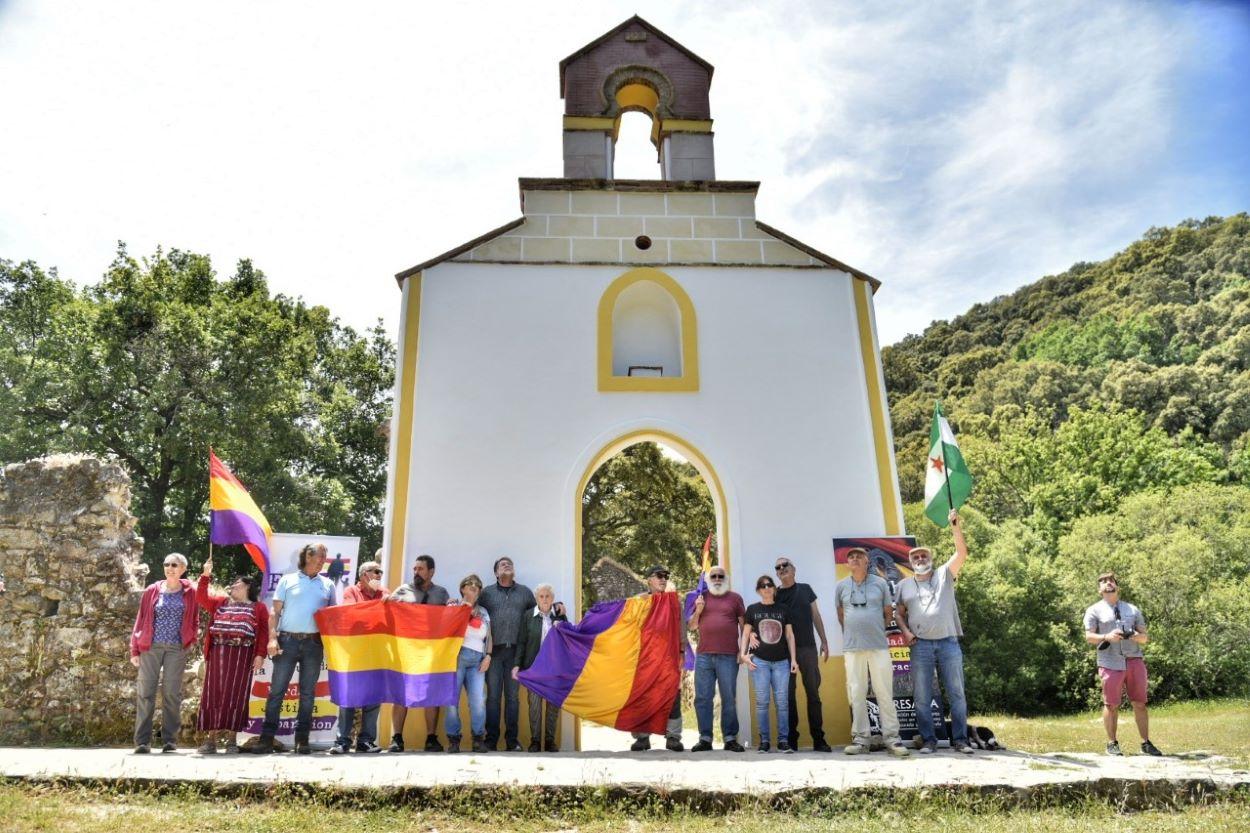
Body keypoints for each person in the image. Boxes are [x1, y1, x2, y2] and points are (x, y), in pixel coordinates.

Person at [895, 509, 972, 754]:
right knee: (921, 697)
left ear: (930, 558)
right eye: (915, 557)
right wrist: (905, 632)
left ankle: (960, 740)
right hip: (920, 646)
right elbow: (897, 613)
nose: (919, 559)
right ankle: (928, 740)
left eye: (923, 555)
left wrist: (955, 526)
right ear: (910, 562)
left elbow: (961, 553)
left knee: (957, 693)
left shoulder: (944, 575)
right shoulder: (903, 585)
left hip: (949, 643)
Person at [252, 542, 335, 755]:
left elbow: (333, 617)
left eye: (324, 558)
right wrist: (272, 639)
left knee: (307, 694)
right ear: (308, 557)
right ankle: (266, 739)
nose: (322, 561)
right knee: (277, 692)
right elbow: (275, 612)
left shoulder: (328, 585)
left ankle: (302, 741)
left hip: (314, 644)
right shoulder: (287, 580)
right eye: (320, 557)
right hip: (286, 642)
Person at [836, 547, 910, 757]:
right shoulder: (841, 586)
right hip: (852, 648)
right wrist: (856, 630)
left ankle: (893, 740)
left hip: (878, 646)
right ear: (847, 563)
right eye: (851, 557)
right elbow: (841, 614)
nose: (855, 559)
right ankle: (861, 740)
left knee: (884, 691)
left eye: (859, 556)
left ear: (867, 561)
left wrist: (874, 630)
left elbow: (888, 613)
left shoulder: (880, 584)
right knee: (856, 693)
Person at [194, 556, 268, 754]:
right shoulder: (220, 602)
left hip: (242, 657)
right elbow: (200, 598)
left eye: (237, 584)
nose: (232, 586)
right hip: (218, 654)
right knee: (213, 694)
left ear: (247, 588)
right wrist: (205, 575)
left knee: (236, 695)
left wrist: (260, 655)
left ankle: (232, 740)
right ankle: (210, 740)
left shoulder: (258, 608)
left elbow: (263, 633)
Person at [1084, 571, 1162, 756]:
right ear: (1099, 589)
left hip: (1134, 660)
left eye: (1111, 580)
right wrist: (1107, 636)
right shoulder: (1093, 610)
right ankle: (1112, 743)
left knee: (1140, 703)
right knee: (1111, 704)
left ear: (1117, 587)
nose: (1108, 583)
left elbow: (1144, 638)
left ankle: (1146, 743)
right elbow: (1089, 637)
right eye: (1103, 581)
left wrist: (1135, 635)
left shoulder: (1132, 609)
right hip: (1110, 661)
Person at [131, 552, 200, 753]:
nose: (169, 568)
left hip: (176, 649)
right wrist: (134, 649)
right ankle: (142, 742)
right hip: (150, 647)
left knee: (171, 694)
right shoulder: (153, 590)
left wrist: (190, 639)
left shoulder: (190, 592)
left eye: (174, 565)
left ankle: (169, 741)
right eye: (166, 564)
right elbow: (140, 619)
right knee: (146, 693)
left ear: (183, 569)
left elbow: (195, 619)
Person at [387, 552, 451, 752]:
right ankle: (397, 738)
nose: (416, 572)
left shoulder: (441, 593)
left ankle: (431, 738)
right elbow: (387, 611)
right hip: (405, 650)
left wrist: (456, 609)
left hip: (431, 652)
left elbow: (447, 619)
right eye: (415, 569)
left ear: (431, 572)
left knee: (431, 694)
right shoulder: (402, 590)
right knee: (401, 694)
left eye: (420, 569)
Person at [329, 559, 389, 755]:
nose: (379, 576)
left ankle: (366, 741)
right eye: (375, 572)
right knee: (349, 697)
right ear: (364, 575)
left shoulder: (385, 593)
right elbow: (351, 615)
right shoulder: (351, 592)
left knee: (373, 698)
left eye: (380, 572)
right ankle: (343, 741)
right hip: (355, 652)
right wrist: (377, 609)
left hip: (377, 651)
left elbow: (392, 614)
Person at [773, 556, 832, 752]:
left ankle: (819, 739)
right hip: (784, 652)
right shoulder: (775, 595)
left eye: (785, 565)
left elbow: (816, 615)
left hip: (808, 648)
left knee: (813, 695)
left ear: (794, 569)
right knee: (788, 697)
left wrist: (824, 640)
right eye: (778, 567)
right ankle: (791, 741)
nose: (782, 569)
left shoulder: (806, 589)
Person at [479, 556, 536, 751]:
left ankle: (512, 741)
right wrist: (455, 603)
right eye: (502, 565)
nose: (507, 565)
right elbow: (472, 610)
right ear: (496, 573)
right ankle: (491, 740)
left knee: (512, 697)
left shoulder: (525, 593)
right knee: (493, 697)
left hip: (515, 654)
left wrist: (558, 607)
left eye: (510, 564)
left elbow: (537, 615)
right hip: (492, 653)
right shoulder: (486, 593)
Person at [688, 566, 746, 752]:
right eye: (714, 576)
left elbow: (745, 627)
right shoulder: (700, 598)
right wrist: (698, 610)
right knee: (703, 698)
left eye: (721, 576)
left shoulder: (735, 598)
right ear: (708, 579)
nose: (718, 578)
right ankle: (705, 738)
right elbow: (691, 627)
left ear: (726, 578)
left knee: (729, 698)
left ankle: (730, 738)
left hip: (729, 655)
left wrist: (742, 651)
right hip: (704, 656)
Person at [630, 564, 685, 752]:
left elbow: (681, 628)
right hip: (645, 658)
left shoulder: (674, 602)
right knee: (643, 697)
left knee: (672, 696)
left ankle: (673, 737)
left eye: (666, 576)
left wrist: (682, 653)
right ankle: (642, 738)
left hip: (669, 657)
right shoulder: (639, 601)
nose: (663, 579)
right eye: (659, 575)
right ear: (649, 580)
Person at [742, 574, 797, 753]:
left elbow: (789, 635)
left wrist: (793, 659)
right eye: (762, 586)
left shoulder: (784, 609)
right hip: (760, 662)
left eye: (769, 585)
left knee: (782, 703)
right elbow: (745, 634)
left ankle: (783, 741)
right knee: (762, 702)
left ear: (774, 588)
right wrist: (743, 655)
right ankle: (764, 741)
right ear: (758, 590)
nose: (766, 588)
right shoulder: (752, 609)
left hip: (782, 662)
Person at [512, 583, 568, 751]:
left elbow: (567, 638)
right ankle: (535, 741)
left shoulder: (558, 615)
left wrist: (562, 617)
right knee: (534, 705)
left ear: (553, 598)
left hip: (554, 669)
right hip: (534, 668)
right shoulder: (528, 616)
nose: (544, 599)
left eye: (548, 596)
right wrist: (516, 665)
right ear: (536, 598)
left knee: (553, 705)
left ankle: (550, 741)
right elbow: (521, 642)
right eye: (541, 596)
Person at [446, 574, 492, 753]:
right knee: (451, 701)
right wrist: (457, 611)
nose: (474, 586)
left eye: (478, 585)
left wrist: (488, 656)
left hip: (477, 660)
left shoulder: (484, 612)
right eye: (470, 584)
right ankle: (453, 740)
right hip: (456, 658)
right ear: (462, 588)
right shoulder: (453, 606)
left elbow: (489, 636)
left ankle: (478, 738)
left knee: (479, 700)